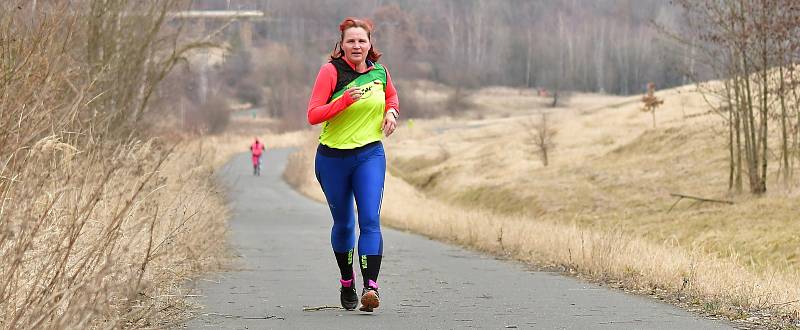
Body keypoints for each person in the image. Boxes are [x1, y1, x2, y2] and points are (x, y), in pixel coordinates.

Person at [306, 17, 399, 312]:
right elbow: (313, 114)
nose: (357, 45)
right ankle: (347, 280)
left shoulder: (380, 73)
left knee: (370, 220)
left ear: (370, 44)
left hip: (369, 155)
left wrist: (392, 113)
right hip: (333, 158)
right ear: (342, 45)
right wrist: (344, 101)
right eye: (351, 41)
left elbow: (392, 96)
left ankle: (371, 287)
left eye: (362, 40)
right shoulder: (330, 72)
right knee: (345, 224)